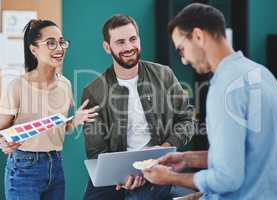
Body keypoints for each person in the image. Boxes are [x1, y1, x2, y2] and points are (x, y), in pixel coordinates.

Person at [143, 3, 277, 200]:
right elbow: (251, 155)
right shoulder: (263, 74)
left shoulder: (225, 87)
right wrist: (186, 158)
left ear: (198, 36)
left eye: (181, 50)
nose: (183, 60)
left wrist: (171, 177)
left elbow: (227, 179)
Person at [81, 14, 194, 200]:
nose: (128, 47)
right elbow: (96, 151)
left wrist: (163, 149)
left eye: (133, 39)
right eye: (120, 42)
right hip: (114, 177)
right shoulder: (94, 92)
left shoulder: (164, 75)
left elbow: (186, 120)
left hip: (158, 167)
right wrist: (122, 175)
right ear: (107, 47)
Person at [0, 19, 98, 200]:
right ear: (34, 49)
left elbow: (58, 128)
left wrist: (75, 120)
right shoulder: (16, 86)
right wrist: (3, 143)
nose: (59, 48)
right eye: (51, 43)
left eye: (61, 42)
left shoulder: (65, 84)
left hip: (55, 165)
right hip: (24, 169)